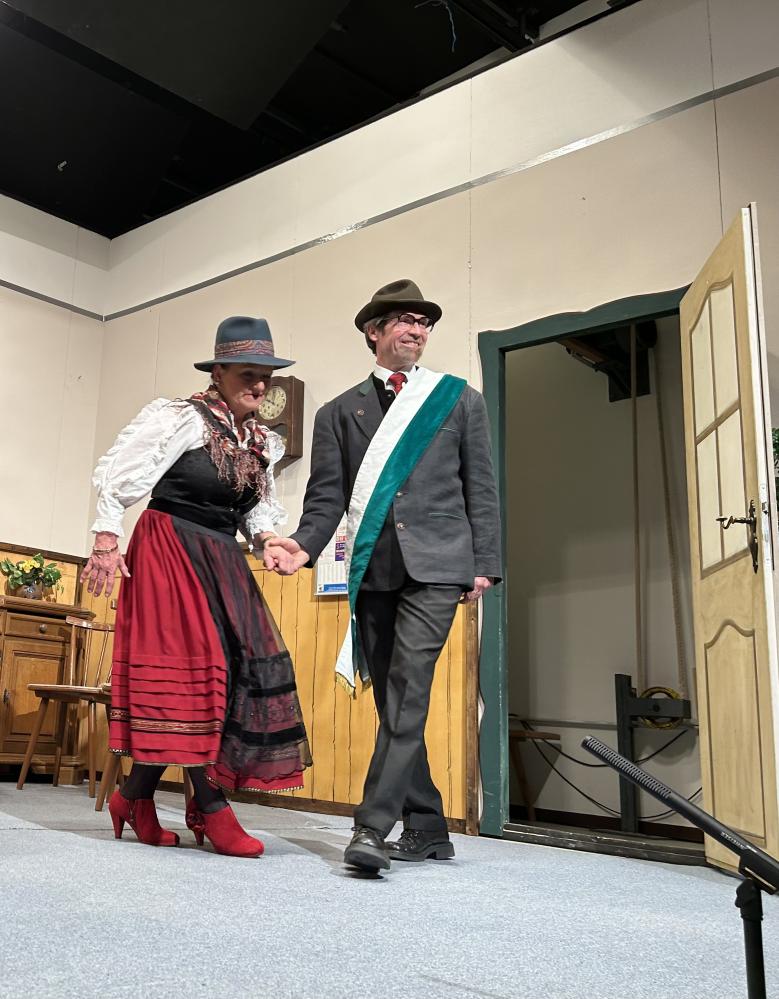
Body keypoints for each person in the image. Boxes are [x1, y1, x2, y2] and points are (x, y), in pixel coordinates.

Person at [265, 279, 501, 872]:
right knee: (394, 701)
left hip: (439, 568)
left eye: (424, 322)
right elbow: (326, 498)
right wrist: (302, 546)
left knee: (408, 689)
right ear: (374, 332)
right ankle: (428, 827)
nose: (416, 330)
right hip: (373, 569)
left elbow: (481, 486)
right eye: (404, 320)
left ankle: (371, 827)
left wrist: (485, 565)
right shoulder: (337, 413)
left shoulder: (457, 399)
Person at [81, 316, 312, 858]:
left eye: (266, 376)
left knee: (238, 668)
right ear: (219, 372)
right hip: (170, 546)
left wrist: (268, 541)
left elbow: (255, 509)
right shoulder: (181, 417)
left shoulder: (260, 440)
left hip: (222, 555)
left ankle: (133, 797)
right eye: (248, 374)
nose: (260, 384)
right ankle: (209, 805)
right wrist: (106, 539)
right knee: (195, 674)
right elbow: (119, 476)